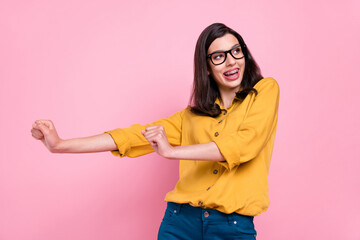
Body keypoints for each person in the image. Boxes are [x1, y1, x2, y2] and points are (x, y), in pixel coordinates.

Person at [31, 23, 280, 240]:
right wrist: (60, 145)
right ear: (206, 67)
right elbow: (134, 136)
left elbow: (245, 144)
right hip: (180, 222)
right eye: (219, 56)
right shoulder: (191, 117)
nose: (231, 61)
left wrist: (172, 152)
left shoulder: (265, 91)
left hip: (232, 227)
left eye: (236, 51)